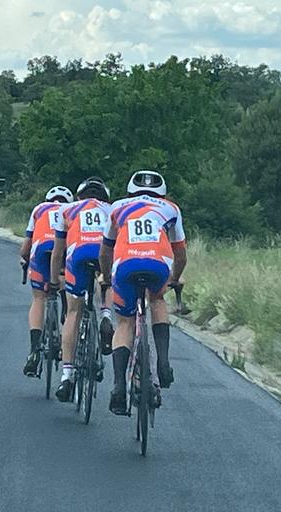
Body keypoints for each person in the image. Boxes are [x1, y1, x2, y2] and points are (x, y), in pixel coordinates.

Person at [98, 170, 187, 415]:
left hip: (125, 264)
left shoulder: (117, 207)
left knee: (125, 323)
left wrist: (106, 277)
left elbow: (105, 251)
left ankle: (118, 385)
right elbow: (180, 254)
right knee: (157, 300)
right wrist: (175, 279)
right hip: (158, 264)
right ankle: (164, 362)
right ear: (162, 192)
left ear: (129, 191)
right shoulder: (171, 208)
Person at [50, 176, 115, 402]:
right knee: (105, 277)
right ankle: (106, 314)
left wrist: (52, 279)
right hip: (103, 253)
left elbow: (58, 251)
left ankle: (66, 375)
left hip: (77, 254)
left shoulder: (67, 210)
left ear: (79, 196)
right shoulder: (112, 209)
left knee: (73, 313)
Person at [20, 185, 74, 376]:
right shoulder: (72, 209)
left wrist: (24, 259)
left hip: (41, 249)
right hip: (65, 248)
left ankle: (34, 350)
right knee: (68, 293)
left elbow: (26, 247)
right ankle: (67, 321)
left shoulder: (39, 209)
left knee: (39, 298)